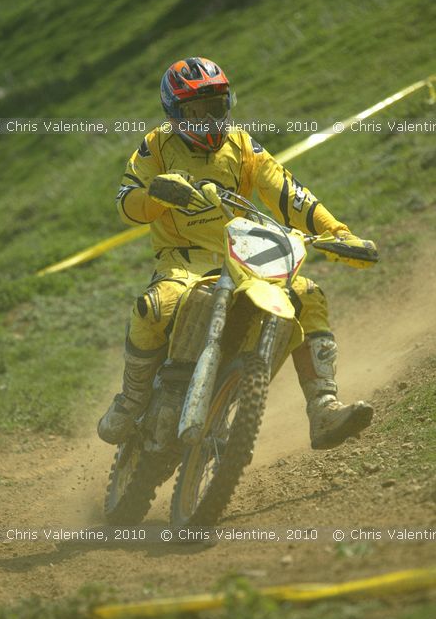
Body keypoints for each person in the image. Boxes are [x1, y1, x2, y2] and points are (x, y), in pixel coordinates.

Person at [98, 56, 373, 451]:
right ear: (174, 113)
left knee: (308, 294)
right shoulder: (156, 145)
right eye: (195, 112)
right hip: (183, 259)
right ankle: (131, 400)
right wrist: (156, 193)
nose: (208, 120)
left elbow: (289, 193)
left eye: (215, 108)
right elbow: (125, 202)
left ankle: (324, 408)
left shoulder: (243, 146)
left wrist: (339, 233)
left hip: (243, 252)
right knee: (156, 304)